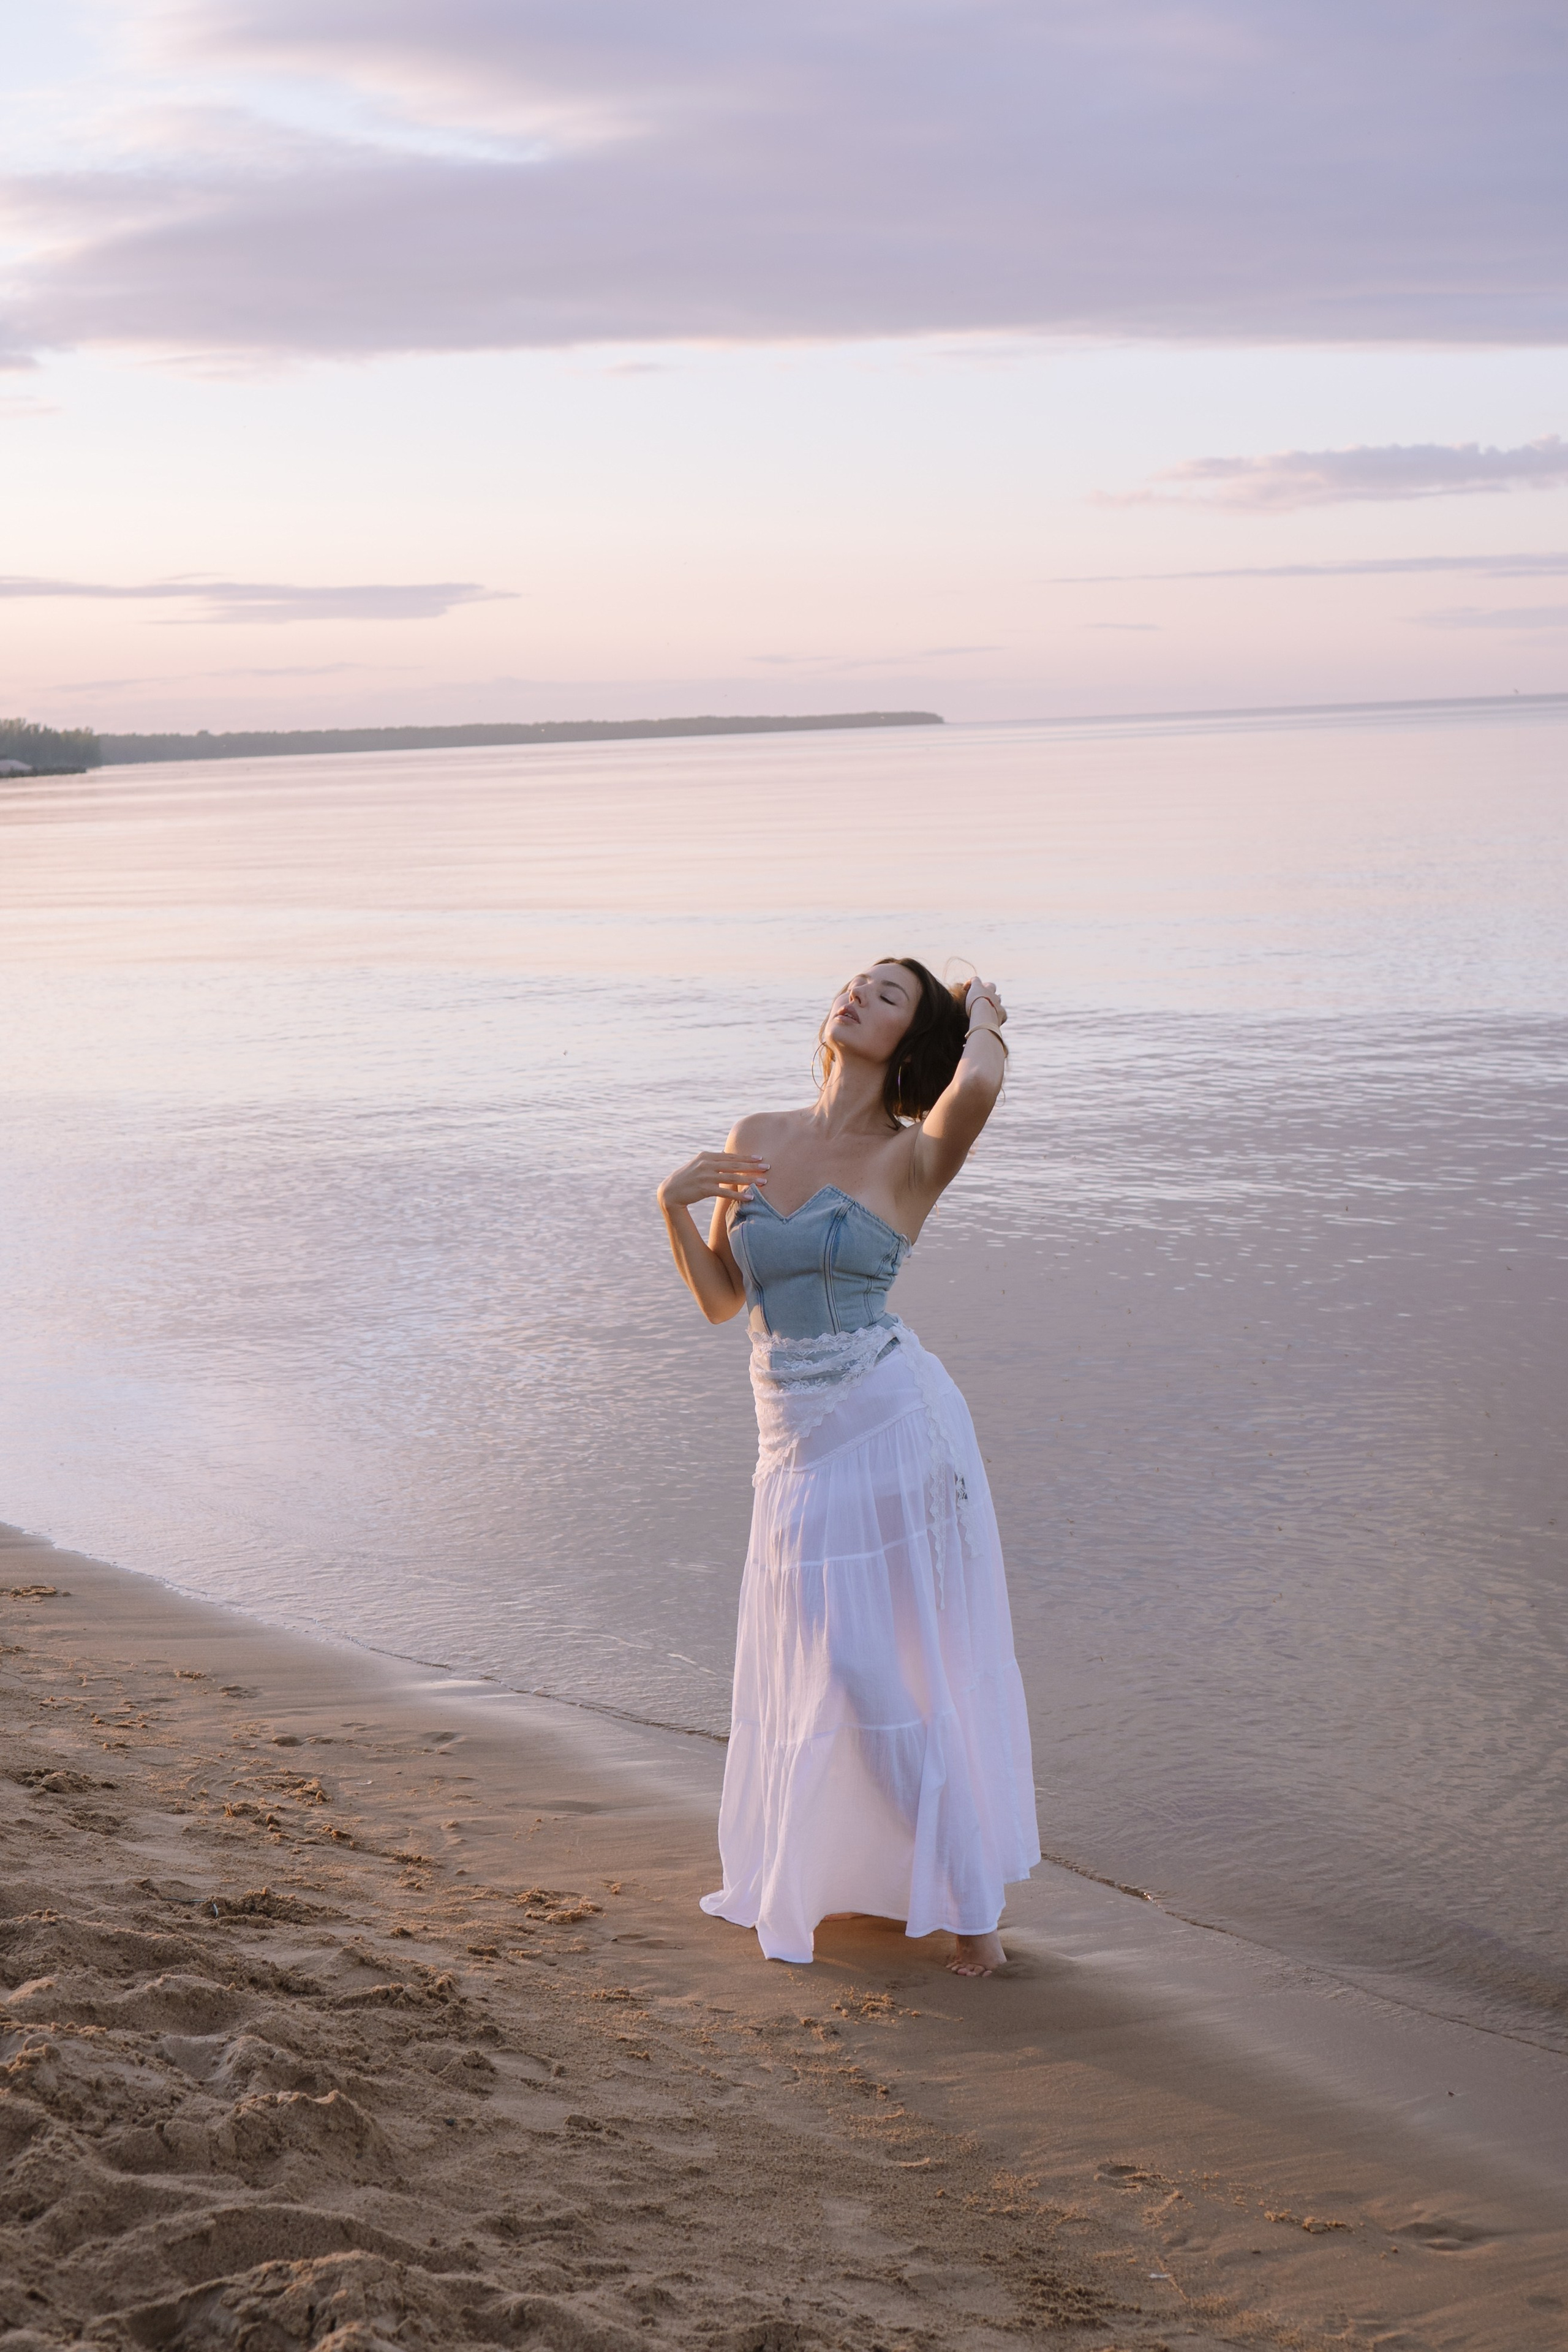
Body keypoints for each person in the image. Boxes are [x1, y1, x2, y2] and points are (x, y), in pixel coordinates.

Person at [657, 959, 1039, 1977]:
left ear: (913, 1042)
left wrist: (984, 1014)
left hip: (888, 1427)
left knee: (873, 1666)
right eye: (857, 981)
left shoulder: (913, 1158)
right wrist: (671, 1208)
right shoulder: (758, 1139)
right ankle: (915, 1886)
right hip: (791, 1441)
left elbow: (985, 1085)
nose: (857, 993)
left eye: (889, 994)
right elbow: (724, 1301)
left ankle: (974, 1915)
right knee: (843, 1665)